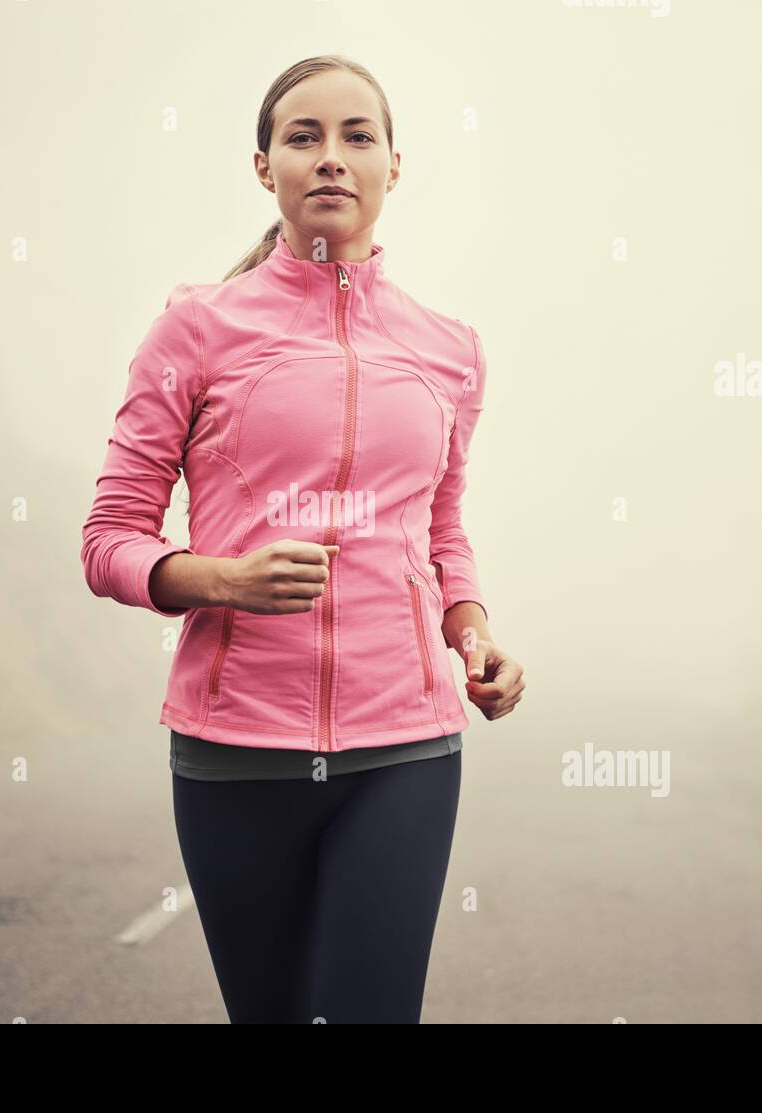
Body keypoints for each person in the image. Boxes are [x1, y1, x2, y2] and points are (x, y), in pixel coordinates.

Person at [80, 54, 524, 1023]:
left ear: (393, 167)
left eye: (356, 137)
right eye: (303, 136)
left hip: (405, 744)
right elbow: (110, 540)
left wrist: (473, 631)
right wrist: (221, 581)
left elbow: (441, 530)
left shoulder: (449, 350)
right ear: (263, 166)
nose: (331, 158)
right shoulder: (195, 330)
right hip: (236, 750)